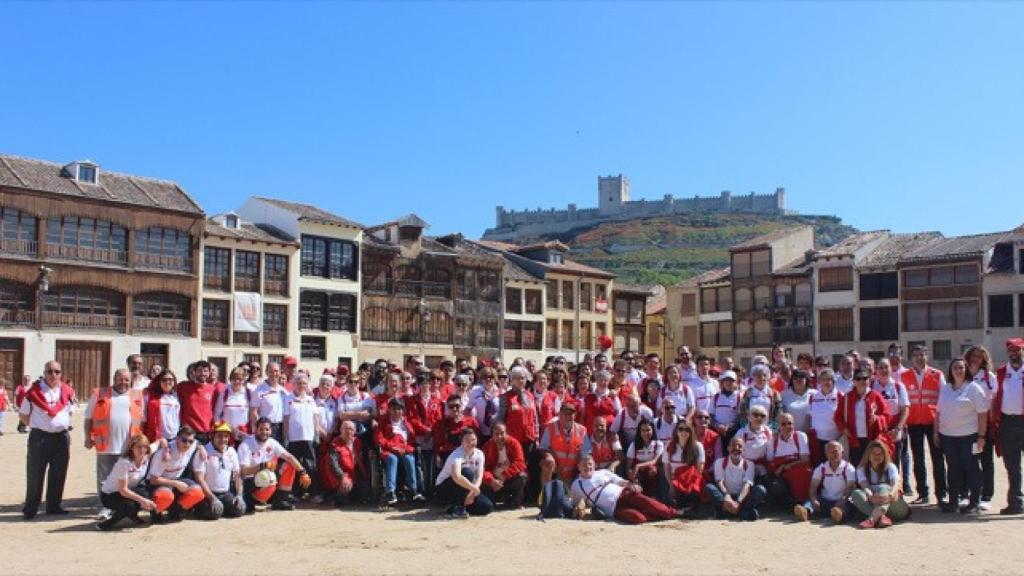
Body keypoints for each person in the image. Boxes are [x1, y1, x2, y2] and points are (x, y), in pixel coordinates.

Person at [84, 368, 143, 520]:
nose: (123, 382)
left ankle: (122, 507)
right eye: (120, 379)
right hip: (105, 444)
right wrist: (87, 437)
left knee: (126, 479)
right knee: (104, 479)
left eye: (126, 380)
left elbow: (141, 420)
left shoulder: (136, 395)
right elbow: (88, 418)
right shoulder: (99, 394)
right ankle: (105, 507)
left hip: (128, 446)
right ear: (114, 379)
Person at [20, 360, 75, 520]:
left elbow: (70, 411)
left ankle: (54, 505)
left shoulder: (67, 391)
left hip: (61, 437)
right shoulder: (33, 392)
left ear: (61, 374)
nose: (53, 375)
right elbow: (23, 415)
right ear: (44, 373)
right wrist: (39, 426)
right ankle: (31, 508)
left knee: (59, 472)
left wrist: (58, 424)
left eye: (57, 372)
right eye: (50, 371)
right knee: (35, 473)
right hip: (40, 438)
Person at [934, 358, 988, 514]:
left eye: (961, 368)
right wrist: (936, 432)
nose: (958, 370)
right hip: (948, 437)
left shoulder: (974, 388)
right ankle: (953, 502)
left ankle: (974, 502)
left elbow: (982, 414)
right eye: (955, 368)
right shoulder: (946, 388)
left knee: (971, 468)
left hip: (968, 437)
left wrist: (981, 436)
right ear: (950, 370)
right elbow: (938, 412)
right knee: (953, 469)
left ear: (966, 370)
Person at [570, 454, 678, 524]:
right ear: (578, 467)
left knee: (649, 503)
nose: (587, 467)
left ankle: (674, 513)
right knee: (638, 518)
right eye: (584, 465)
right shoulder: (576, 485)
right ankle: (659, 514)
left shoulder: (603, 472)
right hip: (613, 509)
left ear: (594, 465)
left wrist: (631, 485)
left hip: (624, 494)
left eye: (590, 464)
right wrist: (580, 508)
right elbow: (576, 504)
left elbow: (620, 481)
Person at [900, 345, 947, 505]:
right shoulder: (904, 376)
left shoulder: (937, 374)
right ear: (911, 358)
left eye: (922, 355)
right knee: (918, 460)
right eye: (916, 355)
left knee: (937, 458)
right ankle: (923, 493)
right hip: (914, 423)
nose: (919, 358)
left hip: (933, 423)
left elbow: (943, 399)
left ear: (927, 356)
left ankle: (941, 493)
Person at [237, 417, 311, 511]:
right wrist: (263, 466)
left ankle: (281, 501)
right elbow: (243, 471)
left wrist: (302, 472)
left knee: (289, 465)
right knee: (268, 477)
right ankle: (254, 501)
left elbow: (289, 457)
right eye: (261, 429)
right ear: (255, 429)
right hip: (250, 481)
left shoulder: (272, 442)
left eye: (267, 429)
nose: (264, 432)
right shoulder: (246, 445)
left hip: (267, 477)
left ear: (271, 431)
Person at [96, 434, 159, 530]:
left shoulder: (146, 456)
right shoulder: (124, 463)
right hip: (110, 495)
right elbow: (123, 490)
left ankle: (143, 516)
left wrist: (166, 449)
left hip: (129, 491)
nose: (142, 449)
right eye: (138, 447)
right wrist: (142, 500)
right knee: (130, 506)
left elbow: (159, 441)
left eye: (144, 446)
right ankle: (107, 524)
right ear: (132, 448)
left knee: (147, 494)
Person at [146, 426, 208, 522]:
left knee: (197, 493)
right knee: (165, 496)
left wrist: (202, 448)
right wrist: (175, 484)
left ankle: (175, 511)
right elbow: (153, 480)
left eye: (190, 441)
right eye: (184, 440)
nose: (187, 444)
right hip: (159, 483)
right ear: (177, 439)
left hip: (176, 480)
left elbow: (197, 443)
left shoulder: (191, 446)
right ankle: (156, 512)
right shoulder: (165, 453)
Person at [992, 337, 1024, 515]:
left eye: (1017, 350)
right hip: (1007, 423)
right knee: (1012, 466)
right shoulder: (1002, 372)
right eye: (1011, 350)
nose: (1014, 353)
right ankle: (1015, 502)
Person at [834, 369, 891, 466]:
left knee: (872, 466)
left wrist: (877, 419)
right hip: (854, 439)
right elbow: (837, 417)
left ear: (869, 380)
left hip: (871, 439)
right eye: (858, 378)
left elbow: (887, 415)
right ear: (854, 381)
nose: (862, 381)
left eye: (865, 378)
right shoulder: (847, 397)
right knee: (856, 466)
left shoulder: (876, 396)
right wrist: (844, 428)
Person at [964, 345, 997, 510]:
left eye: (979, 356)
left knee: (986, 461)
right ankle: (968, 494)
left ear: (984, 359)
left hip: (985, 425)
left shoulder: (989, 377)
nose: (976, 359)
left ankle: (986, 496)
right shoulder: (963, 374)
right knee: (968, 460)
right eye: (973, 355)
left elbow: (994, 399)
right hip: (966, 424)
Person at [376, 398, 424, 505]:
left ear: (403, 410)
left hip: (404, 450)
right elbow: (379, 438)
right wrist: (392, 447)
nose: (396, 412)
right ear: (389, 410)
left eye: (399, 409)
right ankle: (390, 492)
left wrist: (404, 449)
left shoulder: (407, 423)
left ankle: (414, 490)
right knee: (392, 459)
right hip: (389, 450)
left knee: (409, 459)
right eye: (393, 409)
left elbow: (412, 441)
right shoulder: (384, 422)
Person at [435, 428, 493, 518]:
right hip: (445, 488)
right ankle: (456, 506)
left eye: (473, 440)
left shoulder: (480, 454)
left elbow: (479, 476)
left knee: (487, 506)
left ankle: (456, 508)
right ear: (462, 442)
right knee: (467, 472)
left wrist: (472, 493)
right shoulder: (457, 455)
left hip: (466, 488)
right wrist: (474, 489)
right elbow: (457, 477)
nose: (470, 443)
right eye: (467, 440)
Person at [794, 440, 856, 524]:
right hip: (825, 500)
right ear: (826, 454)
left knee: (847, 507)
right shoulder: (821, 468)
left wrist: (842, 500)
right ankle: (805, 511)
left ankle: (839, 515)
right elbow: (813, 486)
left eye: (835, 451)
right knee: (809, 502)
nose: (833, 454)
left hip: (843, 500)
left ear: (842, 452)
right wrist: (814, 499)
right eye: (829, 452)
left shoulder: (848, 468)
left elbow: (850, 487)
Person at [283, 373, 324, 501]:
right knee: (295, 466)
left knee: (311, 466)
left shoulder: (311, 399)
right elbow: (286, 418)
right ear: (294, 384)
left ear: (307, 385)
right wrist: (285, 437)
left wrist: (317, 434)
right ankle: (295, 493)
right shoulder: (288, 398)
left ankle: (313, 493)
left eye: (304, 383)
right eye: (299, 383)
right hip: (293, 438)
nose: (301, 385)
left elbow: (315, 417)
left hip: (308, 437)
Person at [851, 440, 909, 528]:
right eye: (874, 453)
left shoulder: (890, 467)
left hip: (894, 505)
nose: (877, 456)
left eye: (880, 454)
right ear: (868, 455)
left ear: (884, 455)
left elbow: (895, 484)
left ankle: (872, 519)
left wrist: (889, 496)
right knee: (856, 493)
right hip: (873, 502)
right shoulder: (861, 469)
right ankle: (881, 517)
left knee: (883, 487)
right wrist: (871, 496)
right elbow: (865, 486)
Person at [706, 437, 767, 521]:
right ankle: (741, 512)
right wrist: (727, 497)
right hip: (726, 497)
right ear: (728, 448)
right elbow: (720, 482)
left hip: (742, 498)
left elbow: (747, 485)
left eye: (740, 446)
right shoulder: (720, 462)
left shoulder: (749, 464)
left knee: (761, 489)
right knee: (709, 487)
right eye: (733, 445)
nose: (736, 448)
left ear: (744, 450)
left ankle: (728, 511)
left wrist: (738, 501)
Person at [195, 422, 246, 520]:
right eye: (219, 436)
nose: (223, 439)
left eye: (226, 436)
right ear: (212, 436)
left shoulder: (231, 451)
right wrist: (212, 498)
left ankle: (222, 508)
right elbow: (199, 478)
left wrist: (239, 495)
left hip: (225, 493)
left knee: (240, 509)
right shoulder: (204, 452)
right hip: (207, 494)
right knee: (215, 513)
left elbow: (237, 475)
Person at [873, 359, 910, 491]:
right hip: (877, 430)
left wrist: (898, 428)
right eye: (880, 367)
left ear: (891, 369)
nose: (884, 370)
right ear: (876, 370)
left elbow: (905, 409)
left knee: (894, 462)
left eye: (886, 367)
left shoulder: (898, 386)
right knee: (877, 460)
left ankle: (895, 491)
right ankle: (879, 490)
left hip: (894, 430)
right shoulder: (871, 385)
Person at [408, 369, 444, 498]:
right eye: (422, 383)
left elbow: (438, 418)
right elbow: (412, 418)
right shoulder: (413, 400)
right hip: (419, 437)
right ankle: (421, 490)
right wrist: (425, 430)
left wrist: (431, 431)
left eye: (427, 383)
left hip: (432, 437)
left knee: (431, 464)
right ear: (418, 385)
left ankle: (431, 490)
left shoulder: (436, 400)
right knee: (419, 465)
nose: (425, 386)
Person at [765, 413, 812, 509]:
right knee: (776, 487)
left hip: (797, 472)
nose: (787, 426)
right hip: (781, 475)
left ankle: (801, 503)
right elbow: (770, 463)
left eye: (790, 423)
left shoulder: (800, 436)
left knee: (806, 472)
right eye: (783, 424)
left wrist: (788, 465)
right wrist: (779, 468)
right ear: (778, 426)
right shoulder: (772, 441)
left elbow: (805, 460)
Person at [320, 420, 370, 506]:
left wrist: (370, 452)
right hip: (340, 476)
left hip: (355, 474)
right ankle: (331, 496)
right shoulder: (334, 445)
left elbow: (366, 452)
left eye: (351, 429)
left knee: (364, 495)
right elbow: (333, 465)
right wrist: (343, 477)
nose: (348, 431)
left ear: (354, 431)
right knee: (344, 500)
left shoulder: (358, 442)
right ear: (341, 430)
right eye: (345, 429)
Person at [662, 420, 705, 514]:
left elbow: (699, 470)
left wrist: (688, 486)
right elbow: (667, 468)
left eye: (687, 429)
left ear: (691, 431)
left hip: (690, 480)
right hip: (673, 479)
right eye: (681, 429)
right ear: (676, 431)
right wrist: (671, 485)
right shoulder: (669, 445)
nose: (684, 432)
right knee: (669, 501)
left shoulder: (697, 446)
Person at [538, 403, 587, 486]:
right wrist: (549, 456)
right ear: (559, 415)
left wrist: (582, 460)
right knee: (547, 462)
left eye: (571, 414)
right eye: (565, 414)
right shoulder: (550, 428)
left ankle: (582, 490)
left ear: (575, 415)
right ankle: (546, 492)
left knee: (586, 461)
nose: (568, 416)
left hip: (574, 470)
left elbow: (586, 451)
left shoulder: (582, 430)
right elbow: (543, 448)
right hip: (555, 470)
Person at [482, 422, 527, 508]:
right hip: (495, 481)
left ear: (506, 433)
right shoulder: (487, 446)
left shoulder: (514, 443)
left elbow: (520, 463)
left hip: (510, 478)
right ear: (492, 435)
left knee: (522, 476)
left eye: (502, 433)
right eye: (496, 434)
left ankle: (516, 502)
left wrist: (504, 475)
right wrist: (491, 480)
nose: (499, 437)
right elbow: (484, 468)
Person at [177, 361, 216, 444]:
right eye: (199, 370)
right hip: (188, 432)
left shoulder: (212, 389)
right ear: (194, 372)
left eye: (205, 371)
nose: (202, 373)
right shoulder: (183, 386)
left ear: (209, 373)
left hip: (206, 432)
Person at [808, 368, 842, 463]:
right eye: (823, 379)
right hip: (817, 440)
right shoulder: (813, 397)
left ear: (833, 381)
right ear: (819, 382)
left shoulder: (840, 395)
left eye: (829, 379)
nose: (826, 382)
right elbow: (809, 416)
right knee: (819, 465)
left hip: (835, 439)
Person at [214, 367, 254, 441]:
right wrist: (222, 429)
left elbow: (252, 415)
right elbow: (217, 414)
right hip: (227, 433)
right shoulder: (224, 393)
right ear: (230, 379)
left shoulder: (249, 393)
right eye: (234, 379)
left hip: (244, 433)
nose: (236, 381)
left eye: (240, 379)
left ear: (244, 380)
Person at [626, 419, 663, 497]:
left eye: (648, 430)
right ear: (639, 431)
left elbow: (654, 461)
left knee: (652, 471)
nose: (646, 433)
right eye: (643, 430)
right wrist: (632, 477)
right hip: (638, 473)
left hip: (652, 474)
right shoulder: (634, 445)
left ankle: (654, 495)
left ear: (653, 431)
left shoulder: (658, 444)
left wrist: (638, 466)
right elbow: (628, 466)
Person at [252, 364, 289, 443]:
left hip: (281, 428)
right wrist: (259, 429)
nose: (274, 374)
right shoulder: (259, 390)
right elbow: (254, 412)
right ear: (266, 372)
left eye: (276, 371)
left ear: (280, 372)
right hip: (266, 428)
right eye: (271, 371)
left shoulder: (283, 391)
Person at [735, 405, 772, 479]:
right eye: (756, 415)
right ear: (749, 417)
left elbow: (770, 453)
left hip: (762, 468)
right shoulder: (741, 433)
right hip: (744, 468)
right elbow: (735, 452)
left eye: (762, 416)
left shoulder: (767, 432)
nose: (759, 418)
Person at [143, 368, 180, 442]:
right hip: (156, 438)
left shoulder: (177, 396)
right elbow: (143, 417)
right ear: (159, 382)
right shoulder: (149, 395)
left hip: (174, 437)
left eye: (170, 379)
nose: (167, 382)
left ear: (174, 381)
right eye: (164, 380)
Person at [711, 370, 742, 446]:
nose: (729, 383)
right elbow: (711, 415)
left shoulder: (739, 397)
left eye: (731, 381)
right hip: (717, 431)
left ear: (735, 382)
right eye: (726, 380)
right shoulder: (716, 397)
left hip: (733, 432)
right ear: (723, 382)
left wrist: (729, 426)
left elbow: (740, 417)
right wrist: (717, 425)